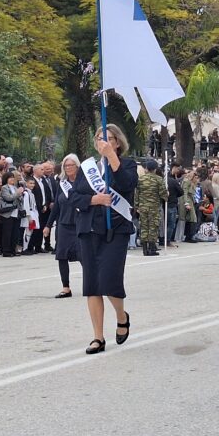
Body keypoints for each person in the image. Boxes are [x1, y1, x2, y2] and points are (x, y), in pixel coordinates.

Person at [69, 124, 138, 355]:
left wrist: (111, 157)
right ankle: (98, 337)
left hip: (115, 230)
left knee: (110, 281)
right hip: (89, 230)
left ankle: (121, 316)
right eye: (99, 138)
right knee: (92, 285)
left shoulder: (127, 164)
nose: (102, 142)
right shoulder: (87, 167)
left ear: (117, 142)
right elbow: (74, 196)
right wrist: (93, 200)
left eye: (107, 138)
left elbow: (127, 185)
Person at [45, 154, 81, 298]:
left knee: (84, 256)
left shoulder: (83, 183)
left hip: (80, 223)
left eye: (71, 165)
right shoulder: (62, 183)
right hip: (64, 224)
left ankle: (93, 284)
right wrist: (48, 225)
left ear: (77, 166)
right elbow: (56, 206)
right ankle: (66, 287)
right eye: (66, 166)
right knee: (62, 256)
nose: (68, 168)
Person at [135, 159, 167, 256]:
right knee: (153, 226)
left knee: (144, 226)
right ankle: (152, 248)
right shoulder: (158, 179)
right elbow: (163, 194)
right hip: (153, 207)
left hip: (143, 206)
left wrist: (137, 205)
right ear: (155, 169)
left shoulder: (140, 179)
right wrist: (166, 195)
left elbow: (137, 194)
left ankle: (145, 249)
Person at [0, 171, 24, 257]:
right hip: (8, 213)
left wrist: (20, 195)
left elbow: (20, 199)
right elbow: (8, 198)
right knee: (7, 233)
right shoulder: (5, 188)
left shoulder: (15, 187)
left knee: (15, 233)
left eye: (13, 177)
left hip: (16, 212)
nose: (12, 179)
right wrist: (18, 193)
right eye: (10, 177)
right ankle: (6, 250)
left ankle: (13, 249)